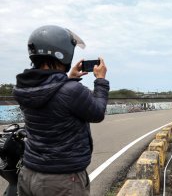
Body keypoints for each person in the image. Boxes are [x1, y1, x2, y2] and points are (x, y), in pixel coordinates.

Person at [12, 25, 109, 196]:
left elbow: (51, 93)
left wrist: (68, 78)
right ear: (63, 53)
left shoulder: (25, 88)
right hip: (62, 180)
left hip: (29, 173)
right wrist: (100, 80)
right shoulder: (71, 91)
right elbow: (98, 112)